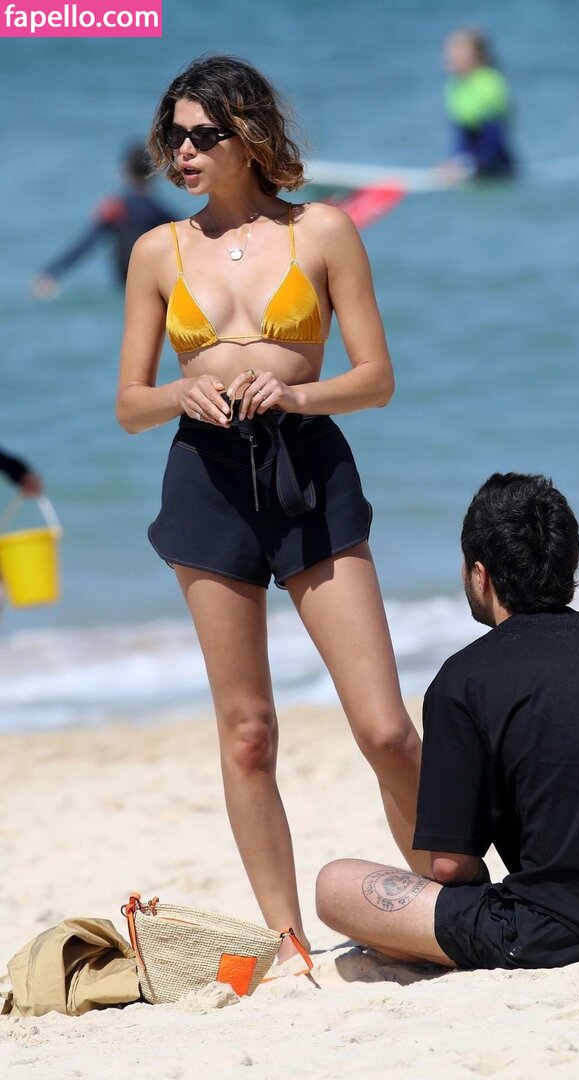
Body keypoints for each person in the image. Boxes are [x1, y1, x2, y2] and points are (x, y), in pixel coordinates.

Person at [115, 54, 428, 965]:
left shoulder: (321, 230)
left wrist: (295, 395)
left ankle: (447, 901)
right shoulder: (156, 252)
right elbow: (129, 404)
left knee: (386, 728)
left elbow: (376, 379)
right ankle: (289, 942)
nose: (182, 151)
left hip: (308, 471)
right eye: (172, 136)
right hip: (205, 482)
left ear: (248, 136)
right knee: (248, 732)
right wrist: (179, 393)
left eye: (201, 135)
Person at [317, 473, 579, 970]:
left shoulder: (462, 679)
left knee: (336, 885)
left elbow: (451, 866)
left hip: (565, 933)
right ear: (568, 563)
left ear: (480, 575)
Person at [33, 143, 173, 297]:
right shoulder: (160, 212)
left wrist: (52, 273)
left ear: (124, 171)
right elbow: (187, 236)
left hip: (128, 283)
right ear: (155, 174)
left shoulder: (116, 209)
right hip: (156, 282)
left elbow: (86, 244)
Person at [442, 29, 516, 180]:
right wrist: (454, 161)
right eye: (450, 50)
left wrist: (475, 164)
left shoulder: (490, 83)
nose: (452, 55)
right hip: (470, 166)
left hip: (496, 164)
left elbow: (494, 134)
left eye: (459, 50)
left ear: (477, 55)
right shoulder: (453, 86)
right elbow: (461, 135)